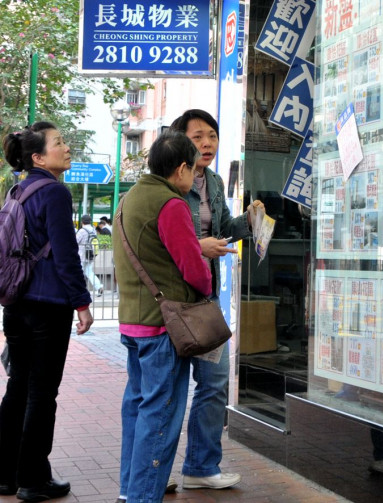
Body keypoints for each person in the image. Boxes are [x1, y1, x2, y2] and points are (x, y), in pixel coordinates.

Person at [113, 130, 212, 503]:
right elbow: (194, 268)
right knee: (161, 415)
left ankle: (130, 490)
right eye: (194, 169)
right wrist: (205, 286)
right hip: (163, 327)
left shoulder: (130, 198)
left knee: (137, 409)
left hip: (134, 322)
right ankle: (142, 497)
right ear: (183, 168)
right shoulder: (170, 204)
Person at [169, 109, 264, 490]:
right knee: (168, 390)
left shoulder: (213, 181)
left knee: (214, 382)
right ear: (179, 141)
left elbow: (222, 232)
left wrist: (250, 219)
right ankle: (150, 472)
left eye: (211, 135)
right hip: (173, 302)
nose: (207, 143)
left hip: (206, 301)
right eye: (197, 137)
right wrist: (197, 245)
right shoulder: (167, 183)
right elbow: (162, 239)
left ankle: (201, 467)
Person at [0, 122, 94, 501]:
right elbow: (65, 253)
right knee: (42, 392)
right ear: (38, 157)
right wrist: (82, 303)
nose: (67, 148)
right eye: (59, 143)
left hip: (16, 302)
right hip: (47, 306)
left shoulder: (17, 189)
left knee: (18, 385)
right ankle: (34, 478)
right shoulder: (55, 192)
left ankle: (5, 474)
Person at [75, 214, 103, 296]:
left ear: (82, 222)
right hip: (90, 254)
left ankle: (79, 291)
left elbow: (75, 242)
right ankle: (99, 287)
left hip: (81, 255)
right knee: (89, 272)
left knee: (79, 273)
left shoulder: (82, 231)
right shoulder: (93, 230)